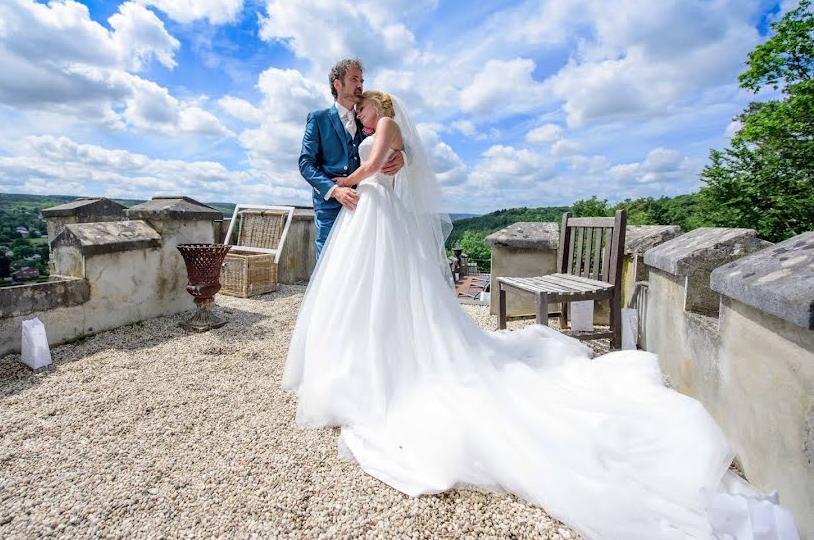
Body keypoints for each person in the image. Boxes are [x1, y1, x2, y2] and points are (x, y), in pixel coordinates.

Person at [283, 91, 798, 540]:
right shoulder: (334, 120)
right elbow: (324, 159)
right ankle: (355, 364)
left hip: (370, 205)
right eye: (355, 92)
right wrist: (339, 184)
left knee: (390, 294)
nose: (360, 103)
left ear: (380, 104)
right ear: (340, 89)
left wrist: (357, 174)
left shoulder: (386, 124)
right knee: (361, 294)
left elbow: (389, 160)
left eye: (365, 97)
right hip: (358, 211)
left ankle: (383, 369)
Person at [298, 59, 404, 258]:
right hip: (330, 207)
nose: (360, 85)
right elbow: (305, 164)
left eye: (362, 80)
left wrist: (403, 156)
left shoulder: (367, 118)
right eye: (354, 79)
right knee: (329, 265)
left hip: (366, 206)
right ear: (338, 84)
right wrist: (335, 190)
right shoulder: (318, 118)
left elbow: (395, 140)